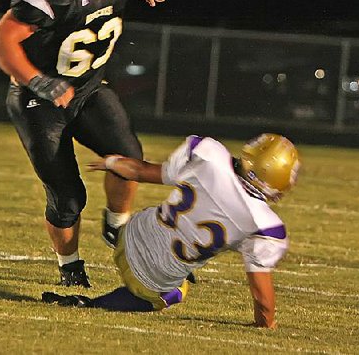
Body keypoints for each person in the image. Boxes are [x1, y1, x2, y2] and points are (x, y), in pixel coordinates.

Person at [0, 0, 166, 287]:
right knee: (67, 196)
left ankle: (117, 226)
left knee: (127, 158)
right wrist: (40, 82)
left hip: (88, 88)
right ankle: (69, 265)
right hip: (38, 98)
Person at [42, 133, 300, 329]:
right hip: (149, 281)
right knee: (175, 293)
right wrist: (266, 324)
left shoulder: (208, 152)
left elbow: (143, 171)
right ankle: (92, 303)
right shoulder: (265, 225)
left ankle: (118, 234)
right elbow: (262, 299)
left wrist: (112, 161)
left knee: (169, 227)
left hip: (129, 236)